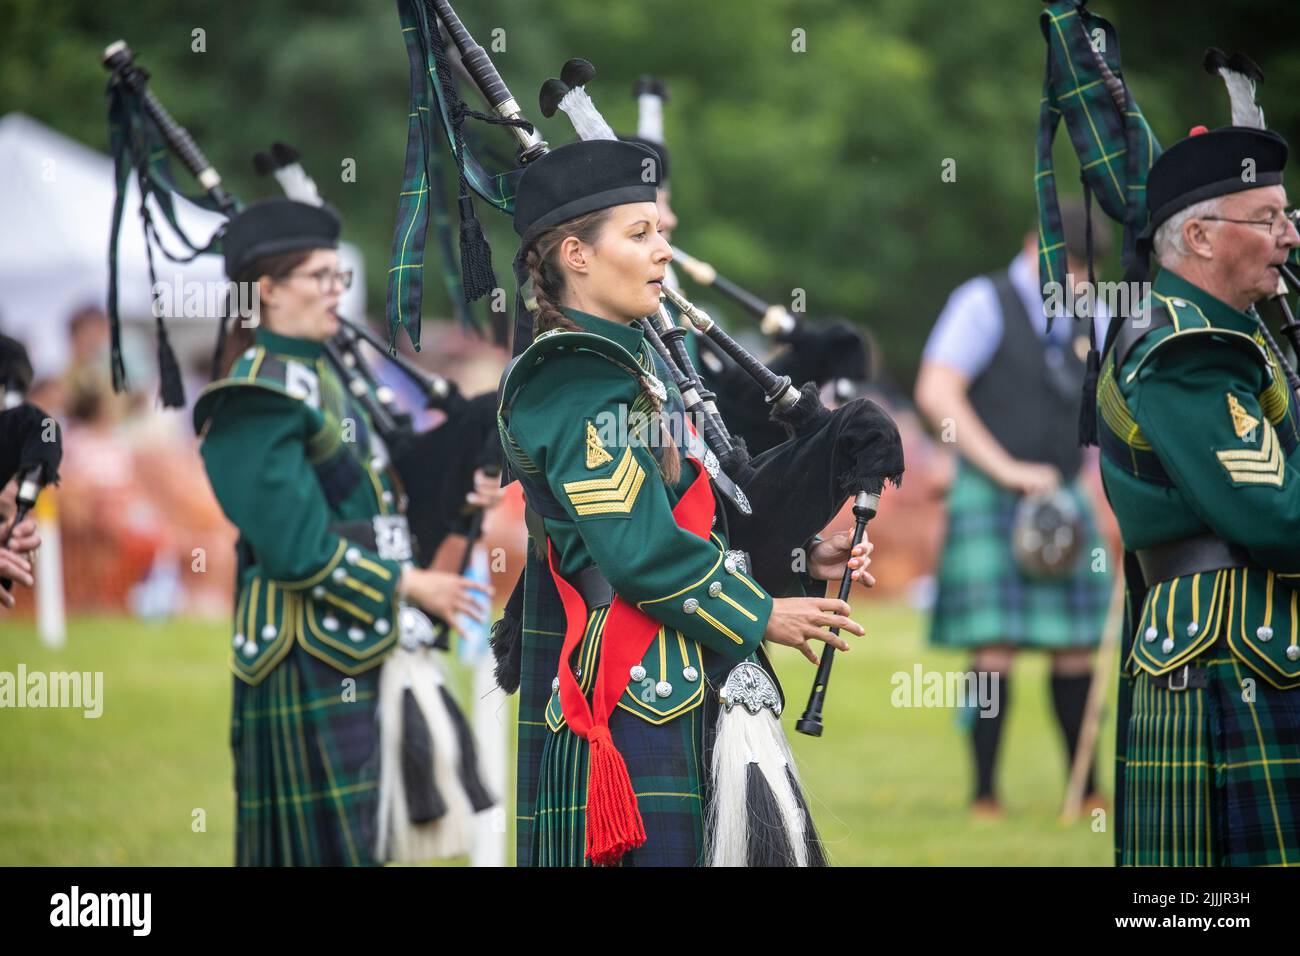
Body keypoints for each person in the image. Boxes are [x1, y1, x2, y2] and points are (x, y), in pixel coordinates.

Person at [497, 138, 873, 867]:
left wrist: (796, 556)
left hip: (686, 666)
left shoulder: (636, 364)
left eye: (659, 231)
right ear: (576, 255)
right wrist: (760, 613)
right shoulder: (571, 378)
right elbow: (637, 549)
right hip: (635, 685)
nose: (663, 250)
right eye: (640, 234)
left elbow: (695, 517)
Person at [192, 198, 497, 865]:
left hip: (358, 641)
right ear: (266, 290)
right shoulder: (255, 398)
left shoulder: (327, 379)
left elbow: (384, 501)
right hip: (304, 649)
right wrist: (412, 583)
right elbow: (297, 551)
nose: (337, 291)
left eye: (341, 277)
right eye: (320, 277)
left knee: (365, 847)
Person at [1099, 124, 1300, 865]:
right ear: (1202, 236)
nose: (1289, 236)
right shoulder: (1190, 353)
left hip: (1242, 641)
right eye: (1269, 218)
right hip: (1234, 649)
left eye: (1289, 216)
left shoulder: (1226, 335)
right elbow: (1275, 517)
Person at [914, 202, 1113, 815]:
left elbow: (1115, 408)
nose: (1073, 278)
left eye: (1083, 267)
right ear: (1034, 245)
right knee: (992, 647)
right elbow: (936, 391)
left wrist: (1106, 491)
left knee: (1075, 644)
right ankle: (984, 795)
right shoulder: (982, 301)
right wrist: (1003, 469)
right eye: (1065, 262)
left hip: (1066, 493)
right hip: (990, 491)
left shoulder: (1097, 314)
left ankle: (1085, 791)